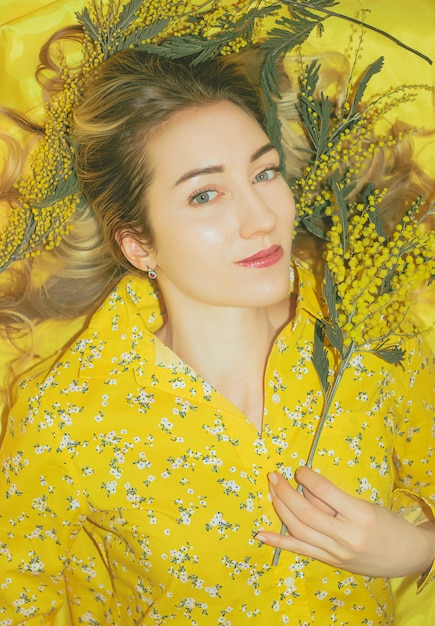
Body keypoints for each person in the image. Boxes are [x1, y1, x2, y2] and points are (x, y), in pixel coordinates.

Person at [0, 5, 434, 625]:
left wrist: (418, 547)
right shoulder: (66, 419)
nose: (260, 217)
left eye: (264, 172)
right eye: (205, 194)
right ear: (138, 245)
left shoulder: (368, 328)